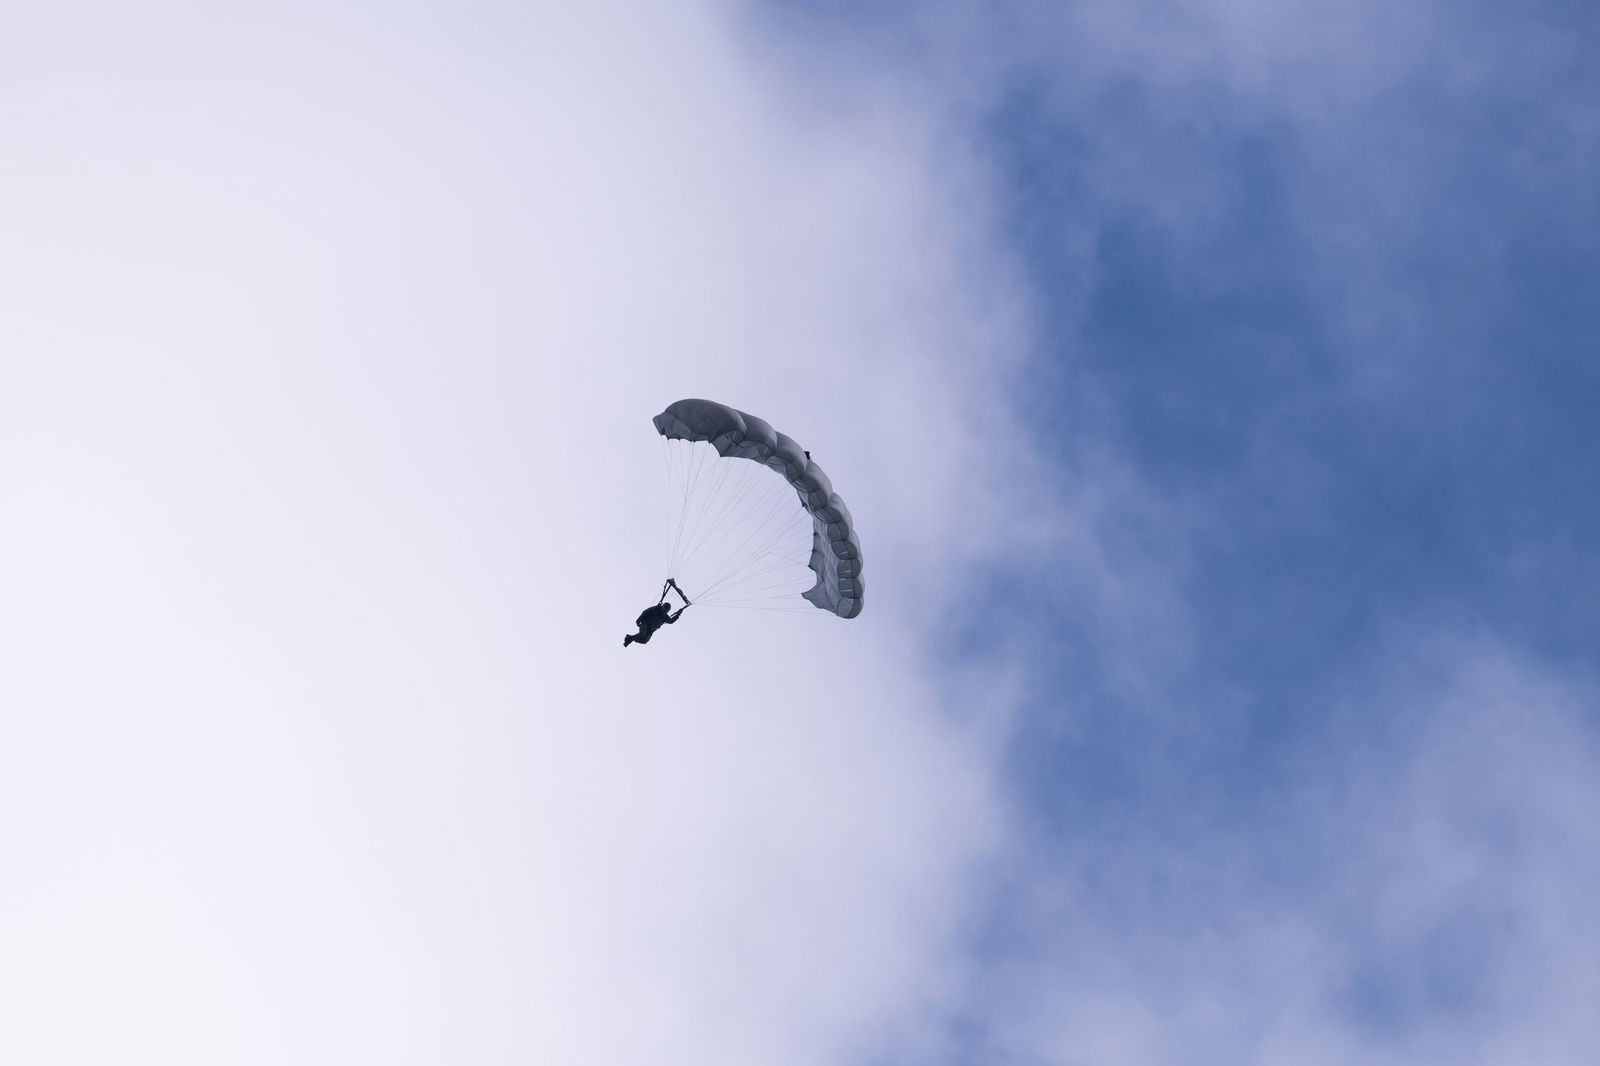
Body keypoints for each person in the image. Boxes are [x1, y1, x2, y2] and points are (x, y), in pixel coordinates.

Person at [624, 579, 691, 647]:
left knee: (644, 641)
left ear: (668, 611)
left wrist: (678, 614)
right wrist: (638, 620)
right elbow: (645, 612)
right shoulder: (657, 608)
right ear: (663, 606)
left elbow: (671, 621)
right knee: (642, 634)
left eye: (667, 609)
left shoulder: (665, 617)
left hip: (651, 630)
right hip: (645, 624)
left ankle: (629, 638)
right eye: (665, 607)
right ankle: (629, 638)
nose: (665, 609)